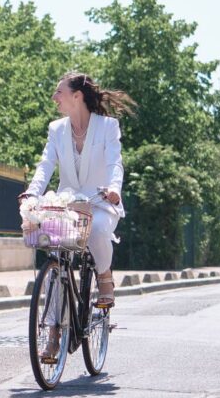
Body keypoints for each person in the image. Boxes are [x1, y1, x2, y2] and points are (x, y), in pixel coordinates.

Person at [21, 72, 135, 360]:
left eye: (59, 92)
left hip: (99, 201)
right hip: (69, 204)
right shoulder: (56, 129)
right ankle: (54, 334)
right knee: (56, 260)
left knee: (97, 230)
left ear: (77, 96)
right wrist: (33, 192)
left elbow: (115, 163)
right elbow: (45, 165)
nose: (54, 98)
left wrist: (113, 188)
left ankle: (104, 276)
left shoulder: (108, 126)